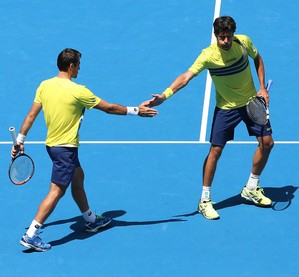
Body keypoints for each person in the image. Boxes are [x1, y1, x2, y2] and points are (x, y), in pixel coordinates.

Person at [12, 48, 158, 252]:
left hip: (53, 146)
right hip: (65, 149)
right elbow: (108, 108)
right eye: (78, 64)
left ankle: (90, 220)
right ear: (71, 66)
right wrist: (136, 111)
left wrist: (19, 140)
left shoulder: (45, 86)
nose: (80, 68)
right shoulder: (79, 91)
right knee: (56, 191)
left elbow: (30, 116)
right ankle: (31, 235)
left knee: (78, 177)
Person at [146, 16, 274, 220]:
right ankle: (205, 200)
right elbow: (186, 77)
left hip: (251, 103)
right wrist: (164, 95)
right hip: (226, 108)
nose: (225, 41)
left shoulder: (243, 43)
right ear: (216, 36)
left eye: (229, 37)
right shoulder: (208, 56)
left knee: (267, 143)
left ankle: (251, 186)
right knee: (215, 150)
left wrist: (261, 88)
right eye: (222, 38)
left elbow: (257, 59)